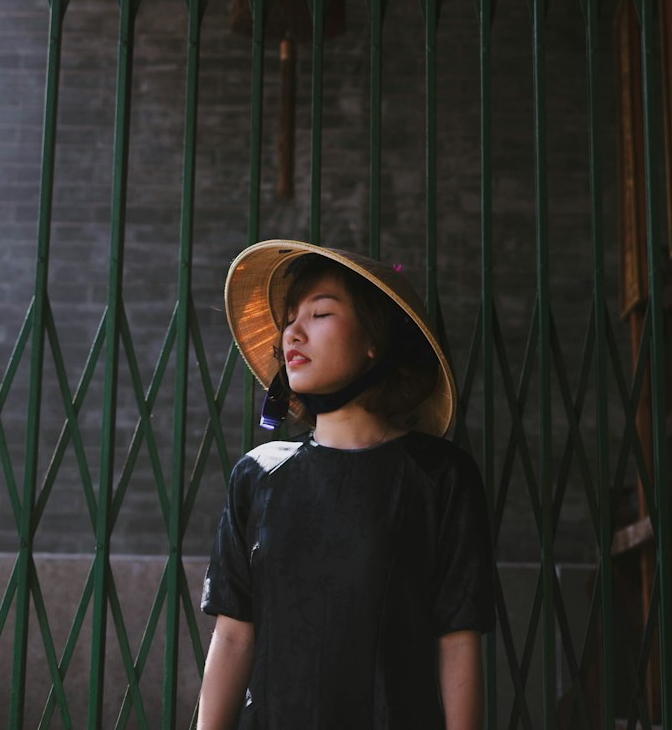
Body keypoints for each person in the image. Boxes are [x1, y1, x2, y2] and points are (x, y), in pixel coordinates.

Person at [198, 238, 495, 730]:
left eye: (319, 314)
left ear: (373, 339)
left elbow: (458, 637)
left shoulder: (440, 476)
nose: (292, 333)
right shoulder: (258, 475)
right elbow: (233, 635)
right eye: (289, 319)